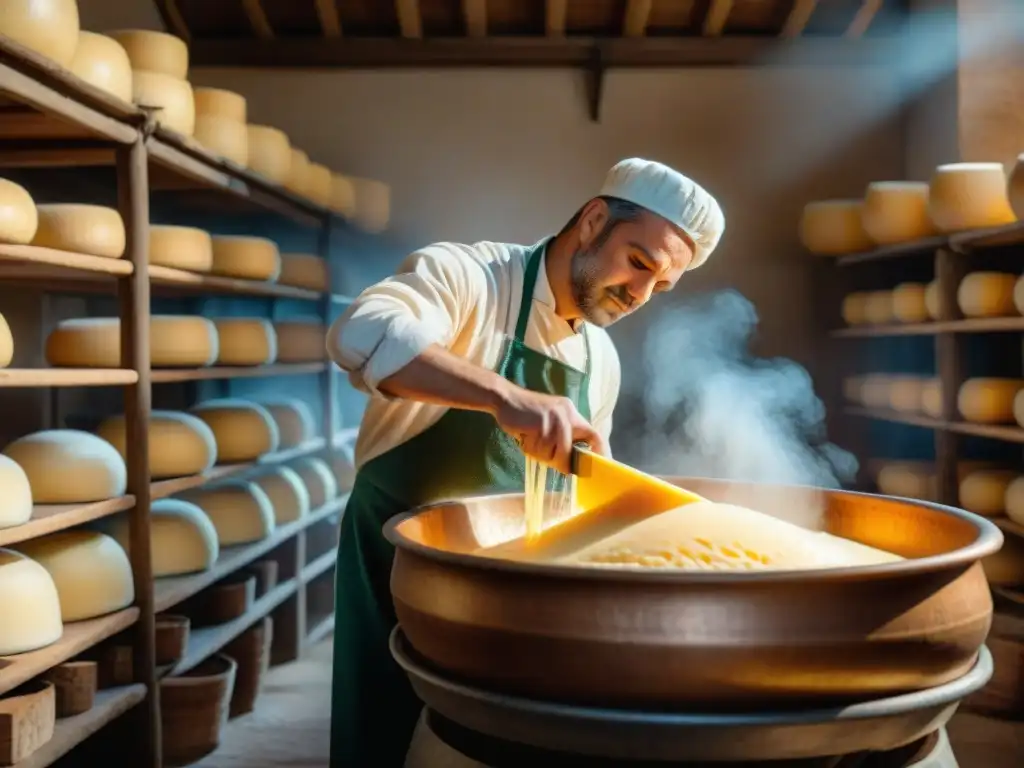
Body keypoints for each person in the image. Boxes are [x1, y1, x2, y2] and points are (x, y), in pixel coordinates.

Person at [326, 157, 725, 767]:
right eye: (639, 263)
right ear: (593, 221)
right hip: (400, 571)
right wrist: (502, 395)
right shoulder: (473, 278)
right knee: (381, 734)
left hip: (510, 598)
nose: (641, 294)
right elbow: (360, 334)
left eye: (660, 286)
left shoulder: (600, 359)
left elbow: (591, 493)